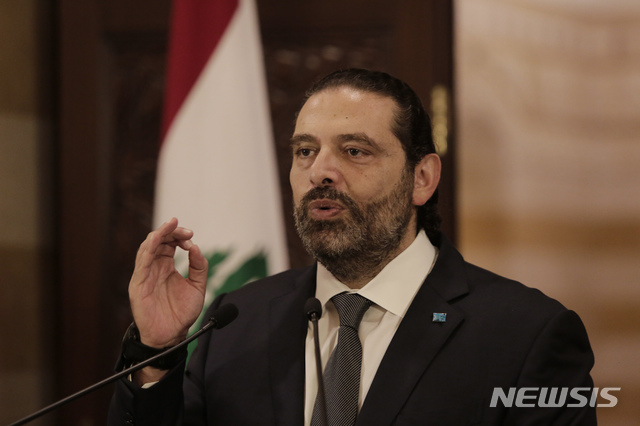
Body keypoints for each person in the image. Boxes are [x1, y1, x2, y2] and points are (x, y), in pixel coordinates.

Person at [108, 69, 596, 425]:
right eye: (305, 151)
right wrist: (157, 351)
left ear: (422, 178)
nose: (320, 171)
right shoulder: (236, 323)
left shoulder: (526, 335)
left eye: (354, 151)